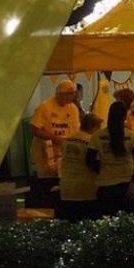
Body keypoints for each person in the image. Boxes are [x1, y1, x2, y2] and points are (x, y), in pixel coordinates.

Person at [87, 100, 134, 216]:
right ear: (125, 116)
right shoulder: (131, 136)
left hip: (105, 186)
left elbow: (89, 159)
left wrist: (100, 170)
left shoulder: (97, 136)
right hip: (127, 185)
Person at [28, 80, 81, 209]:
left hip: (64, 154)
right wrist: (54, 138)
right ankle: (45, 210)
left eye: (73, 94)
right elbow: (34, 129)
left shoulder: (73, 108)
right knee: (46, 185)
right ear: (60, 94)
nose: (72, 97)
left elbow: (75, 131)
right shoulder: (45, 107)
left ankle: (61, 208)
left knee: (62, 183)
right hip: (45, 155)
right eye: (69, 94)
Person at [57, 112, 102, 221]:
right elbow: (94, 165)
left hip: (66, 188)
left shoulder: (66, 140)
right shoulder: (92, 142)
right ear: (95, 127)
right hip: (85, 190)